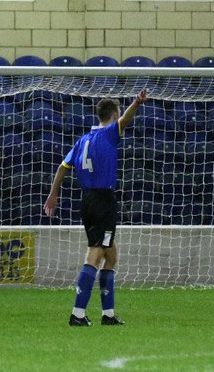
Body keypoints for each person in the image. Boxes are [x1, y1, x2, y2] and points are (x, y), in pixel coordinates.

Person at [44, 88, 148, 327]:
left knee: (111, 255)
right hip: (103, 200)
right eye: (118, 116)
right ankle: (77, 314)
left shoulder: (83, 140)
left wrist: (53, 195)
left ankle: (108, 314)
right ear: (113, 116)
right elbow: (126, 119)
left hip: (87, 200)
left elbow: (62, 168)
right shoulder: (110, 133)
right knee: (96, 252)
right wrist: (137, 103)